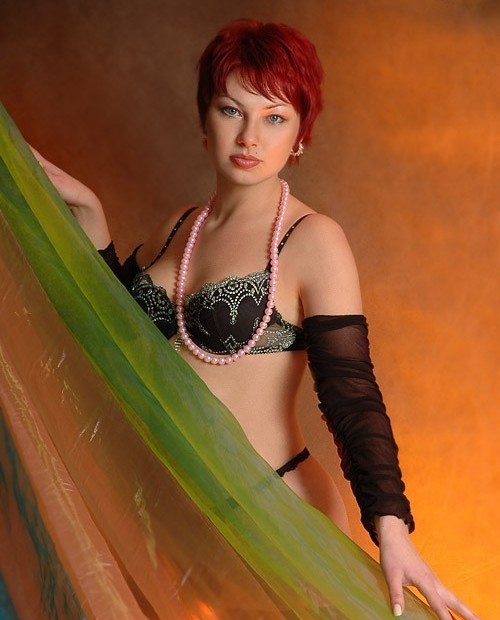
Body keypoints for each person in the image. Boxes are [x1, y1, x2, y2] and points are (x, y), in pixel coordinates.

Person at [31, 19, 479, 620]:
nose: (250, 136)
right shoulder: (178, 226)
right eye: (231, 110)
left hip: (274, 514)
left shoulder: (312, 240)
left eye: (274, 118)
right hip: (174, 518)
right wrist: (90, 214)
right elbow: (112, 334)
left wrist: (391, 530)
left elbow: (352, 395)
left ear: (300, 135)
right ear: (204, 120)